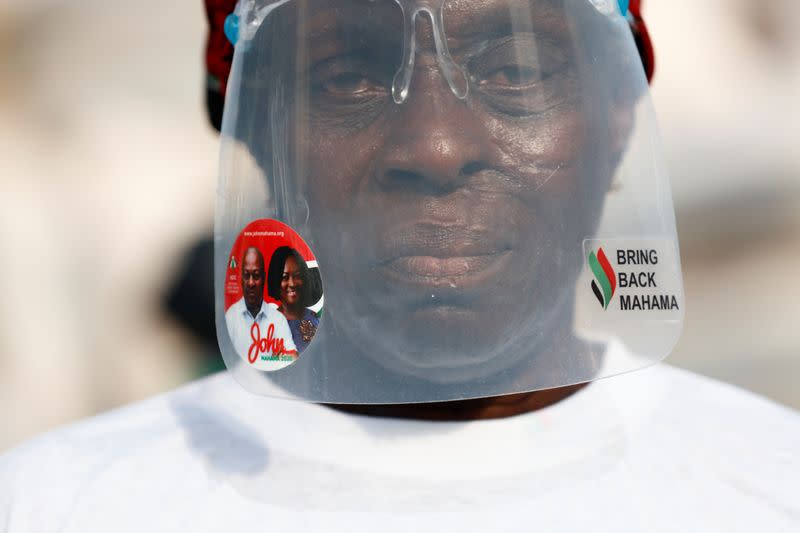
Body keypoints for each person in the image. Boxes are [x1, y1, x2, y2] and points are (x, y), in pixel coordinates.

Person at [1, 1, 798, 531]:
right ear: (254, 126)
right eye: (347, 76)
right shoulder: (56, 508)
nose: (437, 146)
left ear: (618, 113)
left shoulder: (770, 487)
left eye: (515, 70)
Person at [224, 246, 297, 364]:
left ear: (264, 277)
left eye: (256, 275)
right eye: (247, 275)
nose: (251, 283)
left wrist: (266, 360)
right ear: (241, 279)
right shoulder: (231, 316)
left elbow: (292, 357)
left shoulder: (278, 319)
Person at [267, 246, 320, 353]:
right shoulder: (266, 324)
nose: (292, 283)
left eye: (297, 276)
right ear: (275, 280)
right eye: (284, 277)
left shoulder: (314, 320)